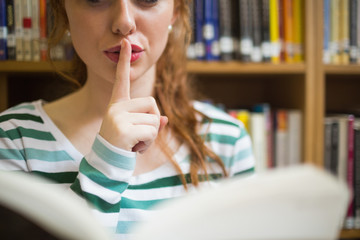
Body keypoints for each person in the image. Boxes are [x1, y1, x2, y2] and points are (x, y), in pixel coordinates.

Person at [0, 0, 255, 239]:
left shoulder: (227, 141)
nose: (124, 23)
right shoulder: (13, 140)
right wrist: (107, 162)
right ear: (63, 10)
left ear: (176, 9)